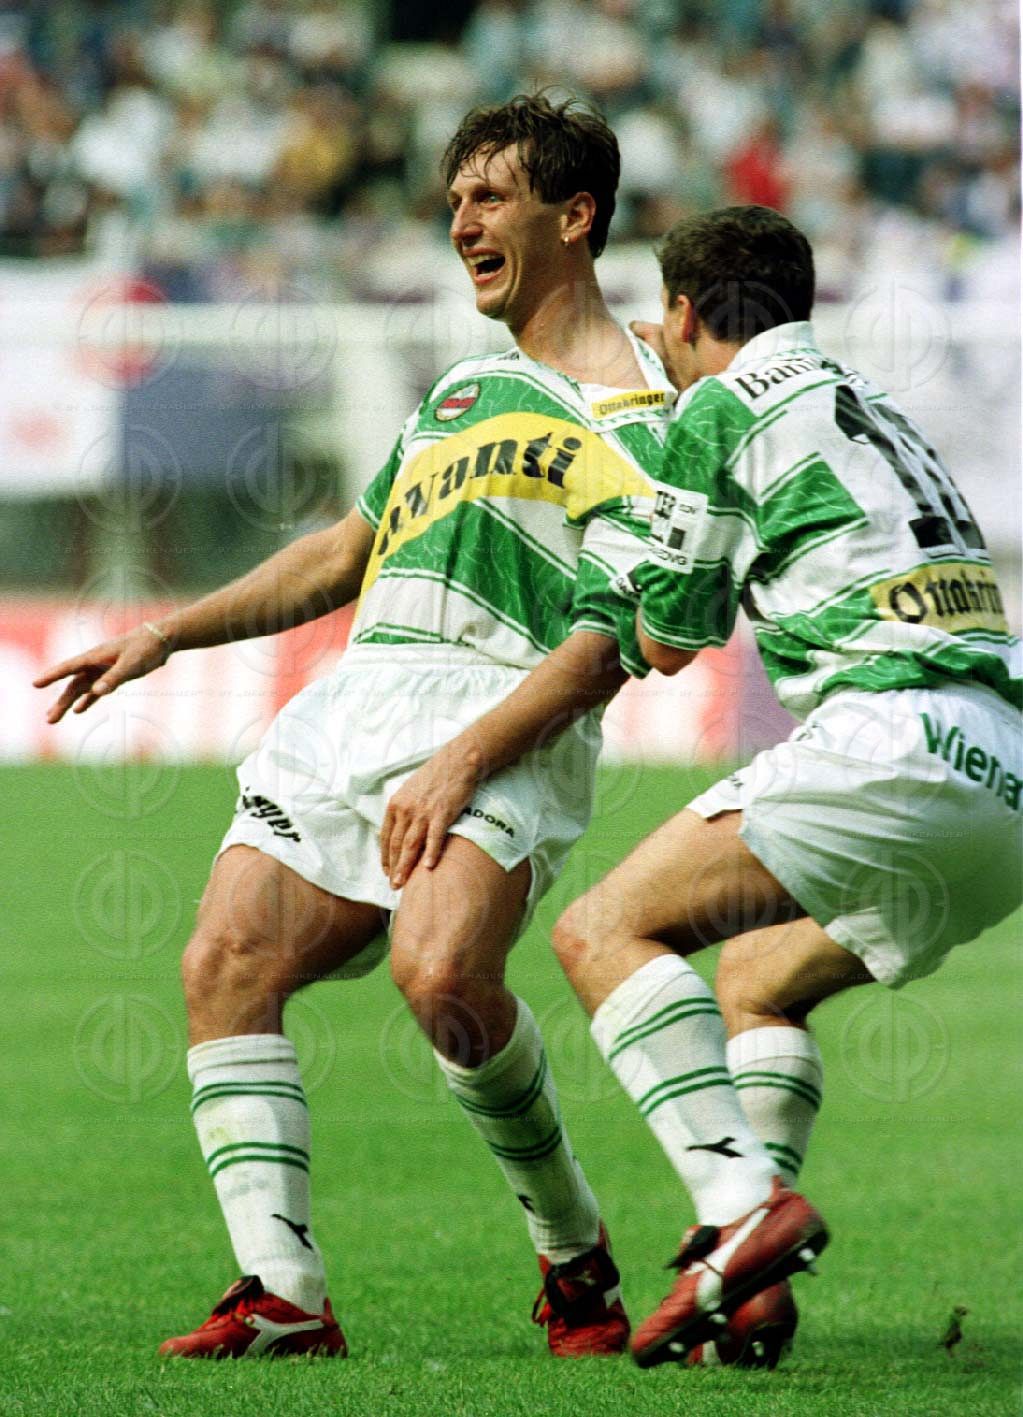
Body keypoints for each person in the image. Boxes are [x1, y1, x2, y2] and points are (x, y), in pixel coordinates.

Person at [34, 95, 676, 1359]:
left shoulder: (649, 409)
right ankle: (282, 1290)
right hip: (355, 706)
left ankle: (573, 1252)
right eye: (455, 203)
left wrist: (462, 758)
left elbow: (614, 641)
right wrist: (168, 631)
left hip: (500, 713)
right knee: (225, 963)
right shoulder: (462, 390)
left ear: (575, 216)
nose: (463, 223)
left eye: (490, 198)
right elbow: (344, 552)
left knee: (441, 977)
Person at [385, 205, 1021, 1369]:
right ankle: (754, 1287)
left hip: (895, 735)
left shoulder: (719, 406)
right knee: (759, 979)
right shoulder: (874, 402)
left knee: (602, 930)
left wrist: (633, 539)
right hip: (1006, 773)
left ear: (682, 314)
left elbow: (671, 638)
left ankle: (739, 1214)